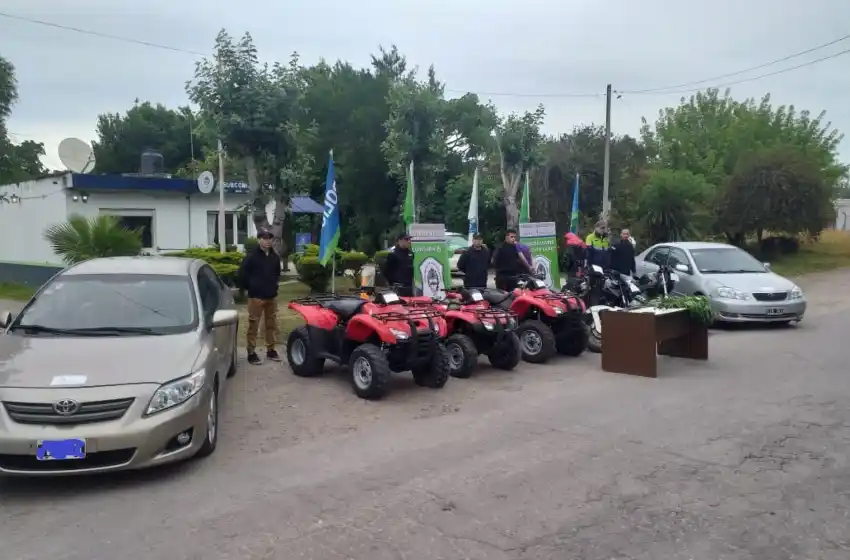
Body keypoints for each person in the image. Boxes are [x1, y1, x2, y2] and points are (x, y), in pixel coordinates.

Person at [238, 228, 282, 365]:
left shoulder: (274, 257)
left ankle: (271, 350)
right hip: (256, 297)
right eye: (264, 238)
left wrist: (274, 287)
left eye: (269, 238)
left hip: (271, 297)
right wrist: (250, 287)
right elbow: (242, 274)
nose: (267, 241)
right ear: (259, 240)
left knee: (271, 324)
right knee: (253, 325)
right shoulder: (251, 257)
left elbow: (277, 274)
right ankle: (251, 352)